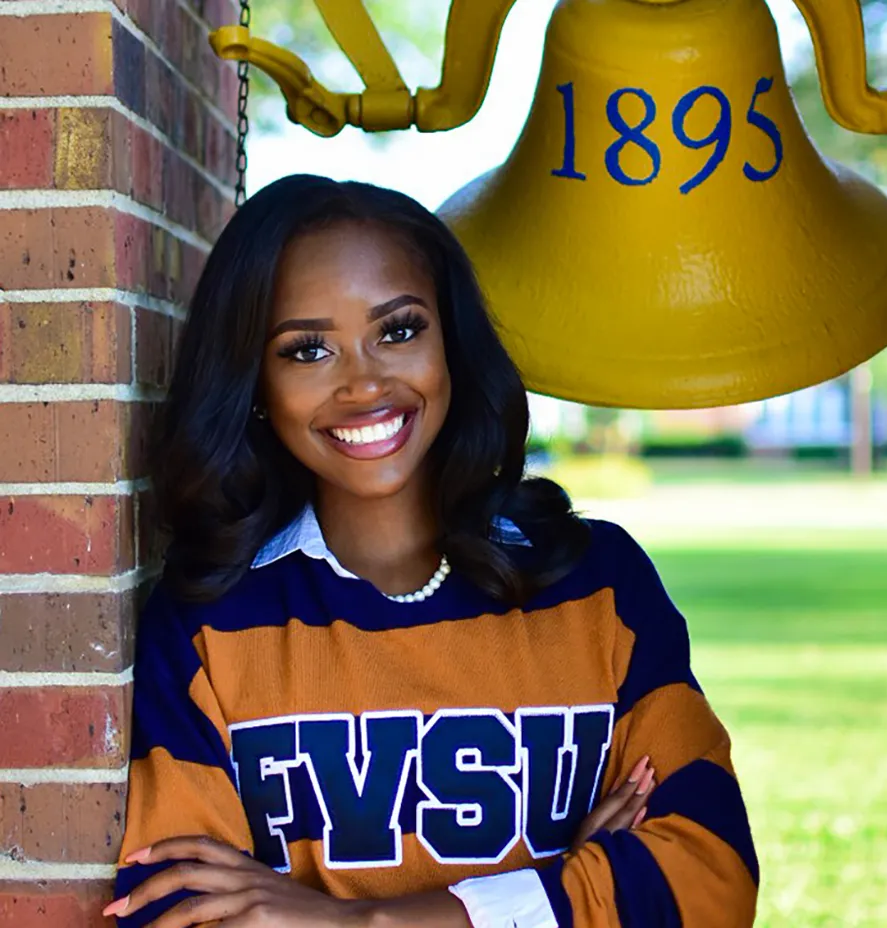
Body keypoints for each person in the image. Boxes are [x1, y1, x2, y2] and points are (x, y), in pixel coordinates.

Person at [106, 175, 758, 927]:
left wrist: (358, 920)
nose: (364, 383)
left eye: (399, 330)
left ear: (451, 341)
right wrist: (563, 892)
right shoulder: (206, 628)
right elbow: (176, 913)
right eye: (308, 349)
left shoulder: (600, 583)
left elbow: (711, 878)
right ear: (256, 382)